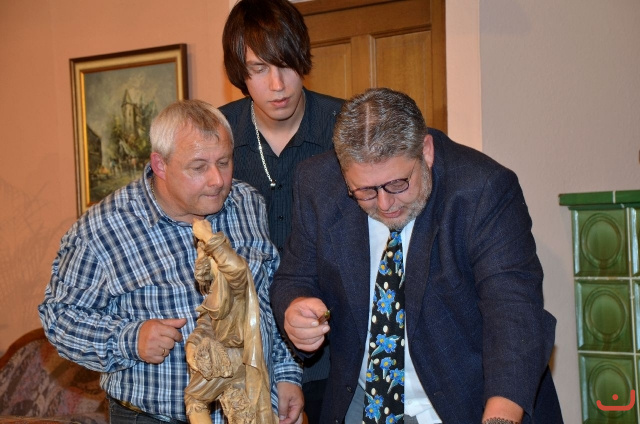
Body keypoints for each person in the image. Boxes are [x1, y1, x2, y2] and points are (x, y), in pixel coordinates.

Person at [270, 88, 563, 424]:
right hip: (362, 401)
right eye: (365, 191)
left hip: (466, 403)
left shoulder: (482, 189)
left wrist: (500, 416)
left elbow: (513, 312)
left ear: (426, 151)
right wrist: (295, 309)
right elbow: (294, 277)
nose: (385, 204)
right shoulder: (317, 183)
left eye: (397, 184)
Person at [38, 99, 303, 424]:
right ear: (160, 165)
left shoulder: (248, 203)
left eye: (224, 162)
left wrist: (286, 373)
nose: (217, 180)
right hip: (155, 416)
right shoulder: (102, 228)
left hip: (250, 410)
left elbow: (267, 295)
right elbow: (59, 316)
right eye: (198, 167)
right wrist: (130, 339)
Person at [219, 0, 343, 421]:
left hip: (337, 351)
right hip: (243, 355)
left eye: (286, 65)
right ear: (239, 72)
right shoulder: (216, 137)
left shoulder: (346, 128)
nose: (277, 84)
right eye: (258, 69)